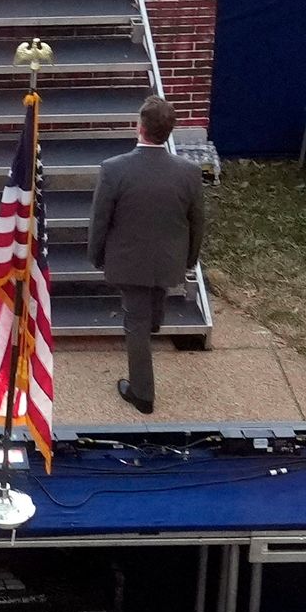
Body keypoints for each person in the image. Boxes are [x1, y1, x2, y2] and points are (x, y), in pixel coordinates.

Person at [87, 96, 207, 415]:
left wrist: (96, 254)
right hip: (168, 260)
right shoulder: (190, 173)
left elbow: (101, 219)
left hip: (129, 262)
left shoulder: (114, 169)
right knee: (153, 306)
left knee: (136, 323)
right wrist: (190, 258)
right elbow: (197, 222)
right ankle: (153, 325)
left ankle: (142, 393)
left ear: (139, 127)